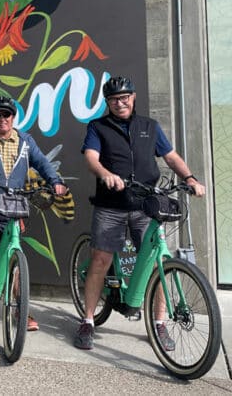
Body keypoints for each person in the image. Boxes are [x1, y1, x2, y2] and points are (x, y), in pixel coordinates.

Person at [74, 76, 205, 351]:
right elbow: (91, 158)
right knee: (100, 259)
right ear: (107, 103)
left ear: (133, 98)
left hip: (145, 204)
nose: (119, 103)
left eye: (124, 98)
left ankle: (159, 324)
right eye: (113, 99)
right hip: (110, 204)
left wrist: (190, 178)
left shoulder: (150, 126)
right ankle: (87, 321)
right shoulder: (98, 127)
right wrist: (106, 174)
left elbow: (170, 156)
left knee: (156, 261)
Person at [0, 96, 67, 331]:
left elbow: (43, 163)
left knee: (14, 253)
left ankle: (20, 309)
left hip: (13, 203)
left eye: (6, 114)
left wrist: (55, 181)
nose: (2, 119)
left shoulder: (25, 141)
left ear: (13, 116)